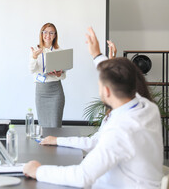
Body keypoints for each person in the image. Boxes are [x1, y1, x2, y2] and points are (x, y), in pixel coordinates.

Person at [23, 27, 163, 188]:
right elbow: (95, 141)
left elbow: (82, 177)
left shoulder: (120, 130)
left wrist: (38, 171)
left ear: (107, 91)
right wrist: (96, 55)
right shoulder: (147, 108)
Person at [29, 23, 66, 127]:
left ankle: (55, 143)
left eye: (51, 33)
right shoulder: (35, 50)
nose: (48, 35)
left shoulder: (59, 51)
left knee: (55, 125)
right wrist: (34, 57)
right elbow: (32, 70)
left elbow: (63, 75)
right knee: (43, 126)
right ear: (41, 34)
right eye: (45, 32)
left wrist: (59, 74)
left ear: (55, 35)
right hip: (41, 91)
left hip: (56, 91)